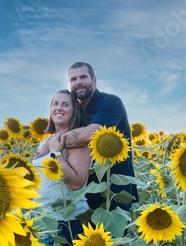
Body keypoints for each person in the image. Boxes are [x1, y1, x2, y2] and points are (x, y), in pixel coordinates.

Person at [35, 62, 139, 211]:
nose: (78, 82)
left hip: (114, 189)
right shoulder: (77, 110)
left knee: (114, 231)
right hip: (87, 193)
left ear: (94, 80)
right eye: (73, 79)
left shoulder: (110, 102)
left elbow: (90, 134)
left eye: (83, 77)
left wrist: (50, 144)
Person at [33, 89, 91, 246]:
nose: (59, 108)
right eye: (55, 103)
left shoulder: (77, 142)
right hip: (41, 219)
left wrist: (57, 153)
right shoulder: (46, 141)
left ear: (74, 111)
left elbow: (76, 183)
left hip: (64, 222)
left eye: (65, 104)